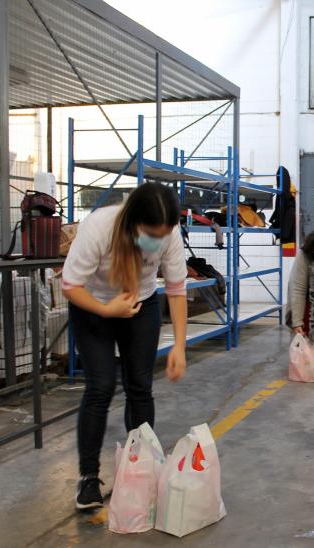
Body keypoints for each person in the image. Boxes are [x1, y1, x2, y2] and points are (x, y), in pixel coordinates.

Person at [62, 182, 189, 510]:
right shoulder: (100, 227)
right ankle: (88, 478)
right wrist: (107, 310)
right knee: (100, 386)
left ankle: (140, 468)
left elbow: (175, 289)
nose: (156, 241)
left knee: (139, 387)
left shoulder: (169, 234)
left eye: (163, 234)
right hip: (94, 305)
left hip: (142, 304)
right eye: (150, 233)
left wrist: (179, 346)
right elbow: (70, 284)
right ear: (133, 222)